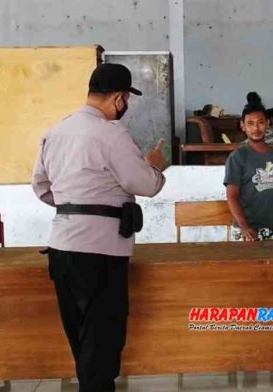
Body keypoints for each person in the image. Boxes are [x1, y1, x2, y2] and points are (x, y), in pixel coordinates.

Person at [32, 63, 167, 391]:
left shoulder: (56, 131)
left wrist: (75, 206)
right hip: (101, 251)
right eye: (126, 100)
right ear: (119, 98)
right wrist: (156, 166)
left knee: (81, 337)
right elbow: (144, 184)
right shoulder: (111, 133)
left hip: (62, 247)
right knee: (103, 338)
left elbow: (41, 187)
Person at [223, 92, 273, 242]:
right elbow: (232, 196)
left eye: (260, 122)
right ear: (243, 126)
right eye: (250, 123)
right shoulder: (238, 157)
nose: (256, 128)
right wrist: (244, 226)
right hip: (247, 232)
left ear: (268, 123)